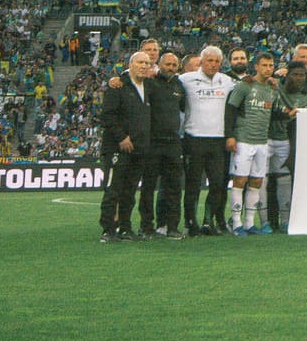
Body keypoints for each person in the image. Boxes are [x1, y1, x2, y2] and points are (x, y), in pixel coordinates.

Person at [98, 51, 155, 243]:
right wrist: (122, 137)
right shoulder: (118, 86)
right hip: (117, 149)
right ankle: (108, 229)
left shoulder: (148, 86)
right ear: (130, 64)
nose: (144, 66)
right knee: (113, 190)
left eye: (147, 63)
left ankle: (125, 228)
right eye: (140, 62)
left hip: (139, 150)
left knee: (129, 192)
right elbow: (107, 115)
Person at [179, 45, 235, 236]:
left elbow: (247, 84)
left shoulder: (226, 81)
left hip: (218, 140)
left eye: (217, 61)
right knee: (193, 184)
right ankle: (190, 222)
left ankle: (208, 221)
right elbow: (162, 80)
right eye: (209, 60)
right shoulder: (186, 79)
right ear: (201, 62)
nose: (213, 64)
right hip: (194, 139)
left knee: (218, 183)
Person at [223, 54, 281, 237]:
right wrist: (230, 136)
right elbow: (230, 109)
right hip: (244, 139)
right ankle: (236, 223)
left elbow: (273, 113)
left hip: (262, 141)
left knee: (256, 182)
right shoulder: (245, 86)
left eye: (271, 65)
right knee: (240, 180)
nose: (268, 68)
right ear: (256, 66)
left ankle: (249, 224)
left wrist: (290, 114)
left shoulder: (272, 89)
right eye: (264, 65)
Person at [267, 61, 307, 234]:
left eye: (302, 75)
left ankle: (286, 220)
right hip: (267, 138)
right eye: (295, 74)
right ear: (286, 75)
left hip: (290, 142)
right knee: (264, 182)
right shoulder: (274, 87)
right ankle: (265, 220)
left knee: (285, 180)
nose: (298, 78)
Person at [144, 52, 189, 240]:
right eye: (167, 64)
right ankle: (146, 227)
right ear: (159, 65)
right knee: (148, 187)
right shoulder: (150, 83)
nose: (171, 67)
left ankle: (172, 227)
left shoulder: (179, 85)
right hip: (153, 142)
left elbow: (183, 109)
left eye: (174, 65)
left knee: (173, 188)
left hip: (173, 143)